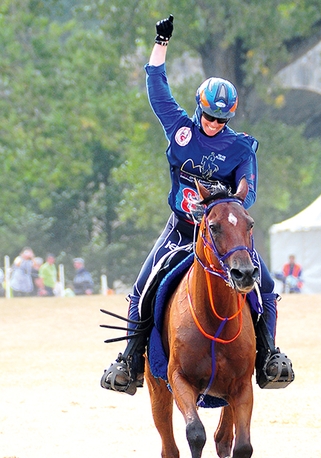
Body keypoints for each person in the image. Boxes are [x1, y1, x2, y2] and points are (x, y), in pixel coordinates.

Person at [101, 14, 293, 394]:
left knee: (265, 284)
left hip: (223, 235)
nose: (213, 124)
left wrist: (224, 200)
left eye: (221, 120)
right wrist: (161, 42)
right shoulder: (180, 129)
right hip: (181, 230)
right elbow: (156, 87)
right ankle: (128, 361)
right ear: (198, 109)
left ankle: (268, 356)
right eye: (208, 116)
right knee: (142, 287)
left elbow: (248, 192)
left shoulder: (240, 147)